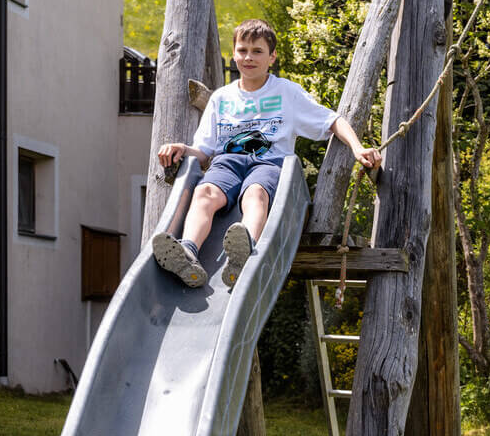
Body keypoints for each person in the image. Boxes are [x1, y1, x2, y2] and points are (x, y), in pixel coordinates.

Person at [153, 19, 381, 288]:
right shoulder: (221, 98)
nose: (248, 57)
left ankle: (244, 250)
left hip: (268, 162)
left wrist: (357, 147)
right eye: (242, 50)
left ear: (272, 57)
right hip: (227, 162)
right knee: (204, 192)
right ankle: (188, 252)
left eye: (257, 51)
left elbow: (332, 120)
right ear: (234, 53)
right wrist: (183, 148)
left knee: (256, 193)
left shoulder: (286, 92)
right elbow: (203, 152)